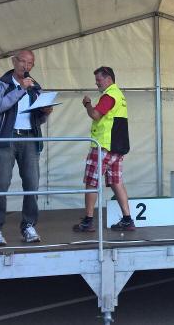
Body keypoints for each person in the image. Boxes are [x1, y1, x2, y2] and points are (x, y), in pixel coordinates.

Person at [0, 49, 52, 246]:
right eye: (22, 61)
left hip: (30, 137)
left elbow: (37, 119)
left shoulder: (35, 87)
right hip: (6, 138)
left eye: (30, 63)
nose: (26, 66)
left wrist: (45, 112)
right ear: (14, 61)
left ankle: (29, 226)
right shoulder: (0, 84)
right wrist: (20, 89)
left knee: (32, 183)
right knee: (1, 183)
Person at [74, 67, 134, 232]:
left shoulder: (109, 95)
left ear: (108, 79)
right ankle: (127, 219)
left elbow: (95, 114)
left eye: (98, 80)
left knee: (91, 182)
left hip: (103, 146)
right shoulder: (120, 95)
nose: (97, 83)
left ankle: (88, 220)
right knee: (116, 182)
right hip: (118, 147)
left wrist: (87, 105)